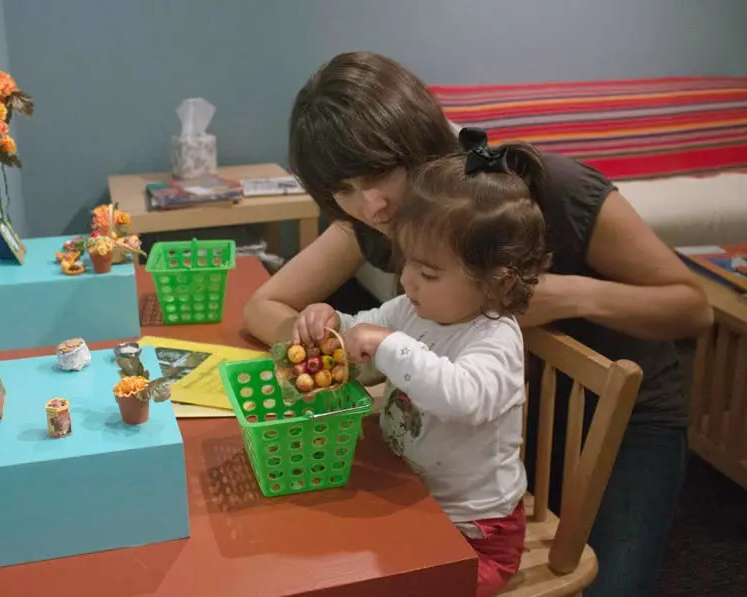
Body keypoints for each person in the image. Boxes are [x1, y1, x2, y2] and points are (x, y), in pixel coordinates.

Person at [243, 51, 714, 597]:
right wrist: (322, 341)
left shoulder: (545, 190)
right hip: (484, 438)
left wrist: (564, 296)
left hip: (621, 424)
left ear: (417, 141)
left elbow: (692, 308)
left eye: (377, 175)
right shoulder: (386, 216)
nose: (368, 205)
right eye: (342, 190)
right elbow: (264, 306)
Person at [294, 139, 551, 596]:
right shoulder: (415, 308)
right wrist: (331, 322)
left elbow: (462, 397)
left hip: (475, 533)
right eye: (409, 260)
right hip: (413, 494)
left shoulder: (495, 339)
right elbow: (363, 331)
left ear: (498, 283)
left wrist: (390, 345)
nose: (409, 279)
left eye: (429, 272)